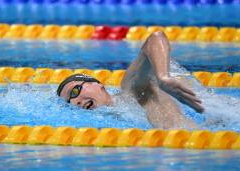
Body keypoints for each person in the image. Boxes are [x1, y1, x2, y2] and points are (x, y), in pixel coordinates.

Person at [56, 31, 204, 129]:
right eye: (70, 102)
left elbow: (155, 38)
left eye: (74, 91)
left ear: (97, 84)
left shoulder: (132, 89)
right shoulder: (113, 121)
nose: (75, 102)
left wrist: (162, 77)